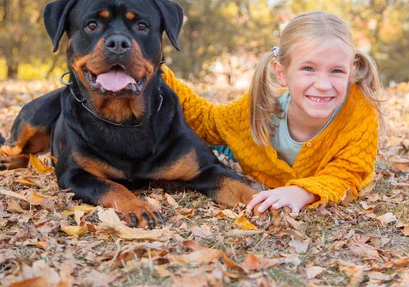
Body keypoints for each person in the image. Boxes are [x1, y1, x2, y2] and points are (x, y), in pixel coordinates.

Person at [162, 11, 384, 216]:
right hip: (245, 146)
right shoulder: (263, 107)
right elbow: (207, 121)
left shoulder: (359, 111)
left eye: (336, 71)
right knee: (224, 141)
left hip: (279, 161)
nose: (323, 84)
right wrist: (161, 74)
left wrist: (301, 192)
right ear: (282, 74)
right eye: (308, 69)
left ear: (350, 73)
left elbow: (350, 173)